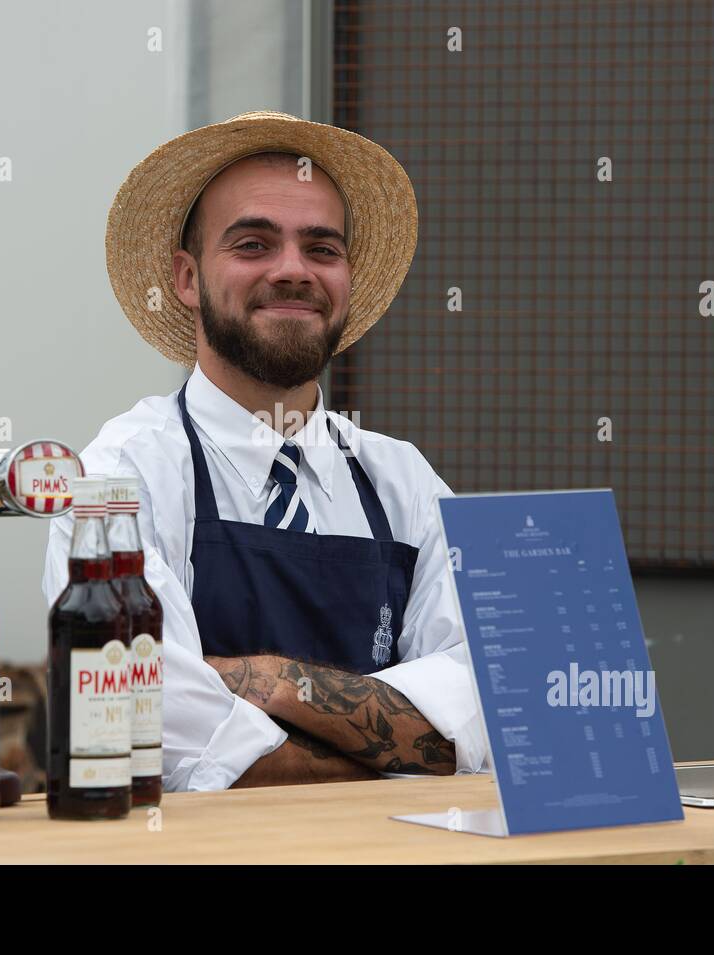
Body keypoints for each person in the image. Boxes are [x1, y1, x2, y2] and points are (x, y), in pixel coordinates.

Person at [44, 110, 487, 791]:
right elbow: (155, 735)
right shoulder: (121, 478)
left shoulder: (406, 484)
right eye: (253, 243)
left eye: (321, 248)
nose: (292, 270)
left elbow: (486, 716)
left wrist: (274, 681)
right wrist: (394, 744)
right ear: (187, 279)